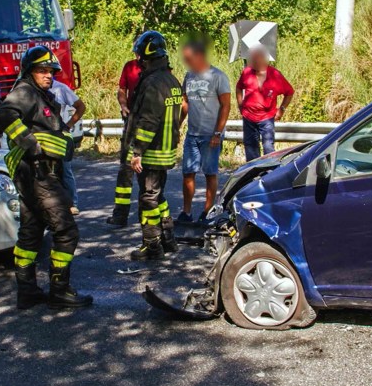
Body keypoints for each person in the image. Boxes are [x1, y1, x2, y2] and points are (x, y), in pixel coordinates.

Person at [0, 46, 93, 309]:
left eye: (51, 71)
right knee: (66, 230)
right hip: (38, 173)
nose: (48, 75)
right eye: (42, 70)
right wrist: (30, 144)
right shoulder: (25, 92)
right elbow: (4, 114)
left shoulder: (39, 95)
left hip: (37, 173)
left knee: (31, 232)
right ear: (29, 71)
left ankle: (27, 291)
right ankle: (60, 291)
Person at [125, 31, 183, 261]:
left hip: (152, 152)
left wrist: (137, 151)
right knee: (158, 197)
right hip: (166, 150)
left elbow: (148, 120)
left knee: (148, 198)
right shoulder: (171, 80)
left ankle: (152, 246)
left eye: (139, 55)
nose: (138, 59)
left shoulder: (152, 83)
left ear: (145, 55)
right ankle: (168, 240)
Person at [177, 39, 231, 225]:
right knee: (188, 173)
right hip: (192, 134)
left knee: (210, 173)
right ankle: (186, 212)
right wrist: (178, 125)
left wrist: (218, 133)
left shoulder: (218, 76)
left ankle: (208, 213)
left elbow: (226, 105)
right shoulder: (189, 76)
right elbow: (185, 103)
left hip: (211, 135)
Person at [237, 46, 294, 162]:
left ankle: (269, 170)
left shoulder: (275, 75)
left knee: (268, 147)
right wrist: (240, 104)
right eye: (252, 59)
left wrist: (281, 110)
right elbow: (238, 87)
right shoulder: (247, 72)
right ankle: (253, 170)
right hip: (248, 116)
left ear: (263, 59)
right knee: (250, 146)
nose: (253, 62)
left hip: (266, 118)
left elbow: (289, 92)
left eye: (255, 59)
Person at [106, 57, 143, 227]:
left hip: (147, 122)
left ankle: (146, 214)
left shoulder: (158, 68)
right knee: (125, 171)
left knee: (146, 173)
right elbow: (122, 89)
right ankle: (120, 215)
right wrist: (123, 105)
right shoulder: (130, 66)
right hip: (130, 122)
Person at [48, 77, 87, 215]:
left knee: (65, 170)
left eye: (49, 72)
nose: (47, 76)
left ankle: (72, 203)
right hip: (42, 137)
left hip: (59, 136)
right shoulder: (29, 89)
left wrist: (68, 126)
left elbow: (81, 107)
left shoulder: (60, 88)